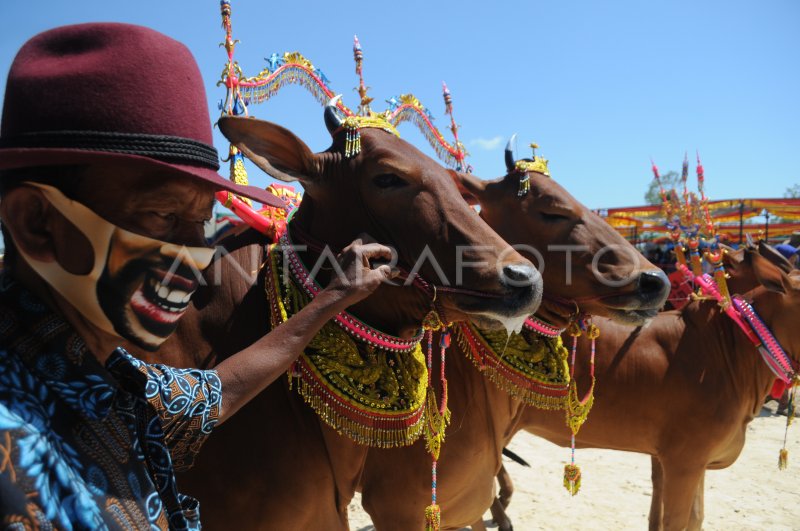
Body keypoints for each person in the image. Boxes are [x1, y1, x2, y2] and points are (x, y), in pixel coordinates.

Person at [0, 23, 393, 529]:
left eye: (201, 223)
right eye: (163, 216)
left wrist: (334, 297)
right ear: (37, 221)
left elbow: (217, 394)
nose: (199, 254)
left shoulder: (102, 372)